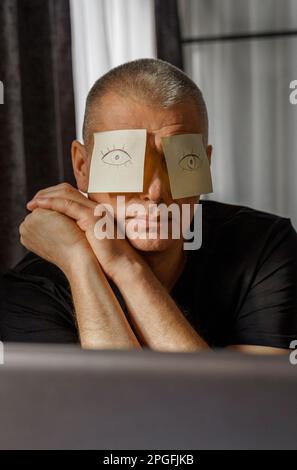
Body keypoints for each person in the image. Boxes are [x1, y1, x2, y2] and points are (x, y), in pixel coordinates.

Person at [1, 58, 297, 353]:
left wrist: (125, 266)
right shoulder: (28, 291)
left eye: (183, 160)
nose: (155, 192)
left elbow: (242, 400)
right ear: (82, 166)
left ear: (206, 164)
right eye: (121, 160)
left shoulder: (264, 248)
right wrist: (80, 263)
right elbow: (115, 399)